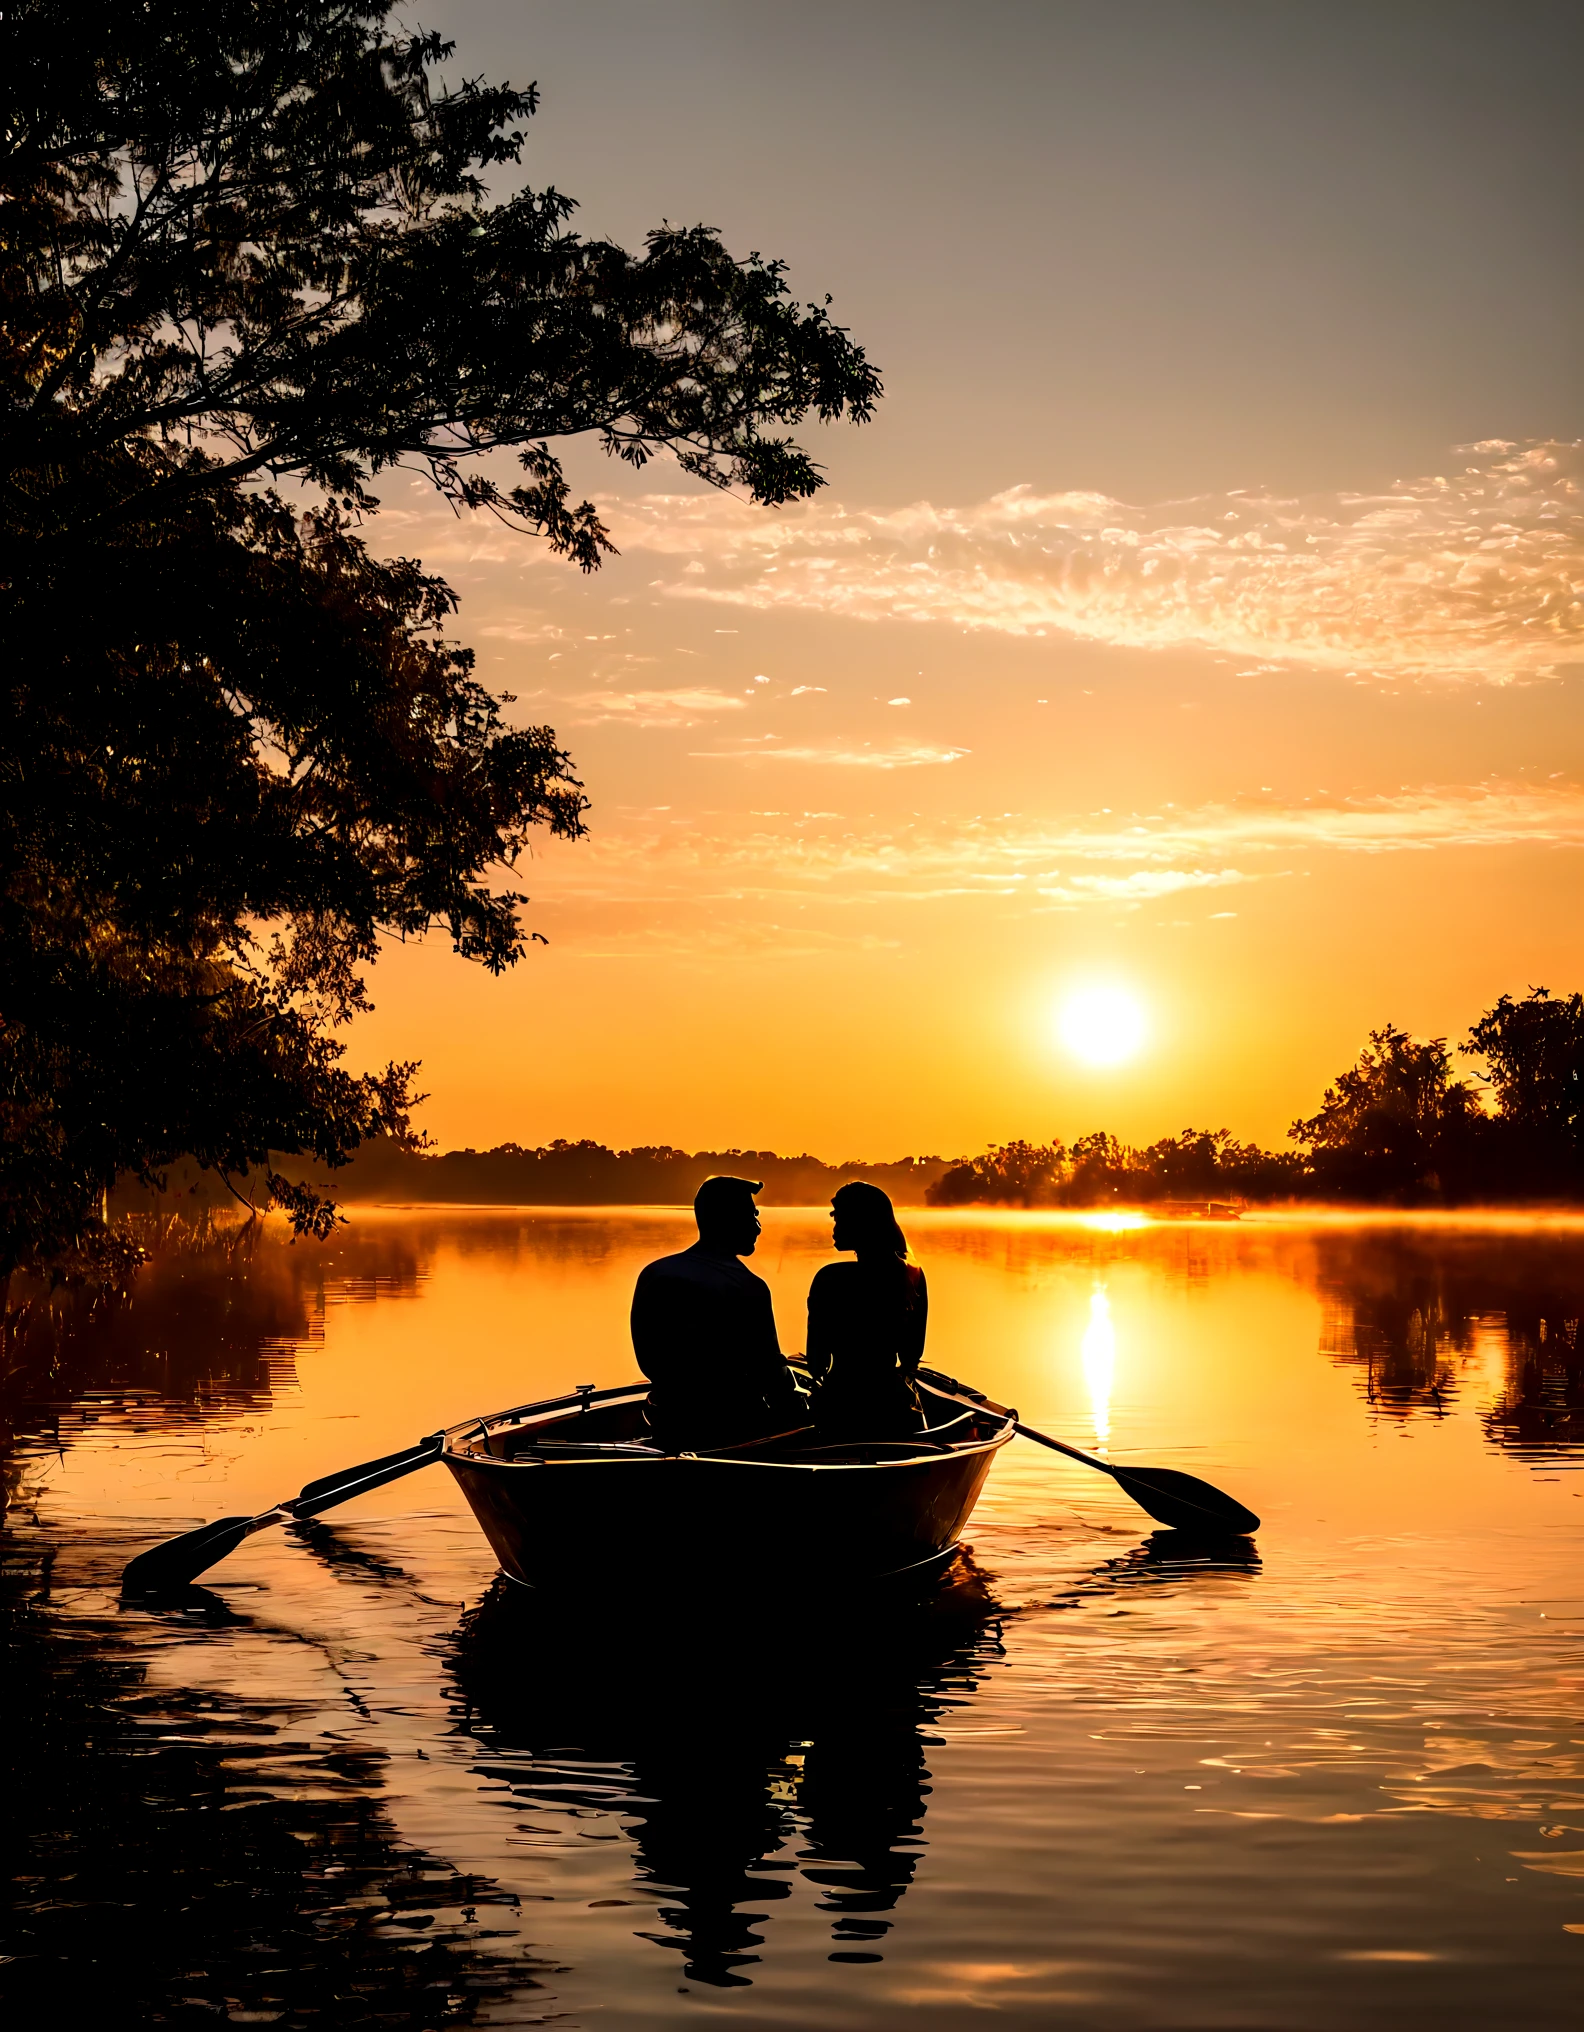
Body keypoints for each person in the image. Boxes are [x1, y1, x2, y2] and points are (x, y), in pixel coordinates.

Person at [631, 1175, 807, 1451]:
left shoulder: (655, 1273)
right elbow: (770, 1372)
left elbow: (649, 1358)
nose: (758, 1227)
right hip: (734, 1426)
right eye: (752, 1216)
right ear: (728, 1219)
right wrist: (801, 1403)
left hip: (667, 1418)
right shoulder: (749, 1285)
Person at [806, 1182, 927, 1441]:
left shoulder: (830, 1278)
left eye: (840, 1220)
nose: (835, 1229)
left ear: (861, 1223)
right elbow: (911, 1356)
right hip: (894, 1406)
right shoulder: (913, 1274)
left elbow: (816, 1363)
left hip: (840, 1405)